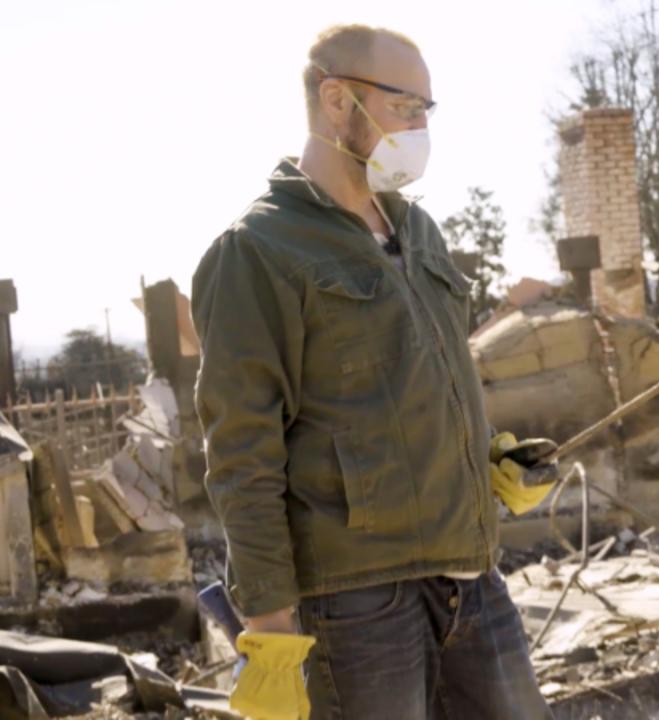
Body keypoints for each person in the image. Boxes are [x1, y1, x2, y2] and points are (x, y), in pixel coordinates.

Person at [191, 24, 554, 720]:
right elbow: (241, 451)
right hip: (355, 601)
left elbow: (415, 389)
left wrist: (486, 463)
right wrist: (268, 621)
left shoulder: (418, 233)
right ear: (337, 102)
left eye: (427, 111)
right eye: (405, 107)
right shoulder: (258, 250)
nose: (421, 127)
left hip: (469, 576)